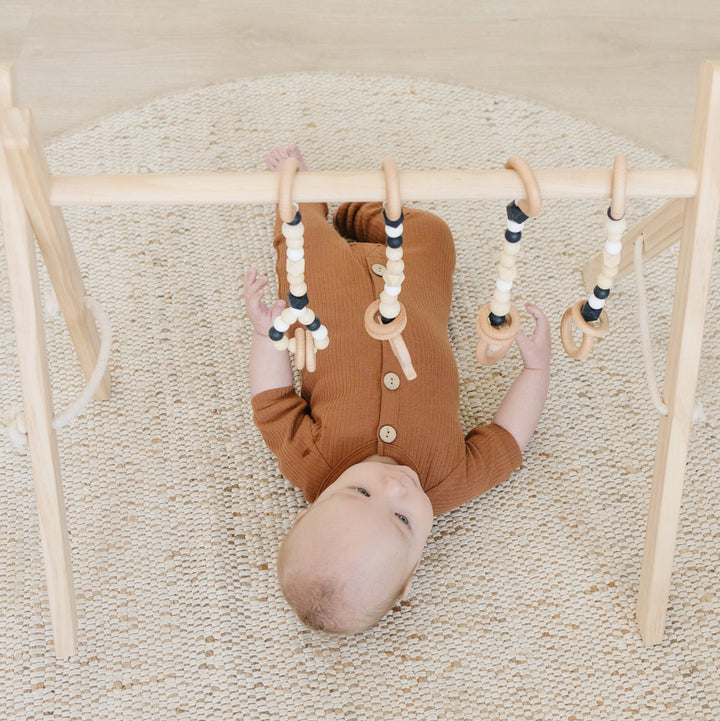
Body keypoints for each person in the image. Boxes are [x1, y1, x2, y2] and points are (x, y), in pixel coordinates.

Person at [243, 144, 551, 634]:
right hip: (412, 290)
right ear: (411, 575)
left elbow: (271, 403)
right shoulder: (451, 481)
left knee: (301, 241)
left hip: (325, 306)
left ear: (317, 503)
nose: (395, 487)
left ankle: (315, 197)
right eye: (403, 520)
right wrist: (535, 373)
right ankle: (363, 215)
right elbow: (508, 440)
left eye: (360, 491)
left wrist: (267, 336)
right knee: (432, 234)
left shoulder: (312, 463)